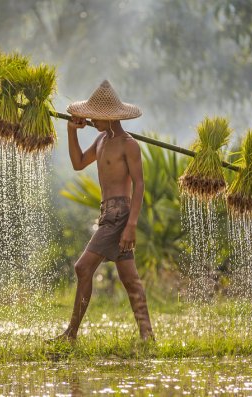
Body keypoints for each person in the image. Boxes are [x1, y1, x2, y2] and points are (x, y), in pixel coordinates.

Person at [53, 80, 154, 342]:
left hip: (120, 214)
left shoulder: (128, 144)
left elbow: (140, 184)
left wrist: (131, 224)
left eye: (96, 117)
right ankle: (148, 337)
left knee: (82, 268)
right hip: (107, 213)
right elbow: (77, 163)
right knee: (130, 279)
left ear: (110, 118)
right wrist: (71, 130)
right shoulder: (101, 139)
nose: (91, 120)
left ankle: (71, 334)